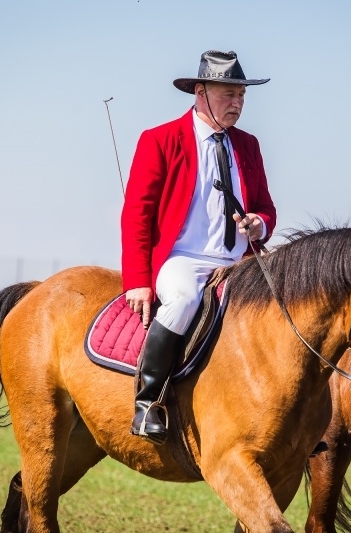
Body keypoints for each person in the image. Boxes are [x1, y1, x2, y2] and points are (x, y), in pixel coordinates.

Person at [121, 50, 277, 445]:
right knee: (184, 300)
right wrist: (138, 280)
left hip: (240, 262)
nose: (237, 103)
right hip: (182, 260)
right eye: (229, 94)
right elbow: (136, 215)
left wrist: (259, 224)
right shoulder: (159, 140)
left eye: (242, 96)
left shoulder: (249, 145)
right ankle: (149, 401)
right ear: (200, 92)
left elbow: (266, 208)